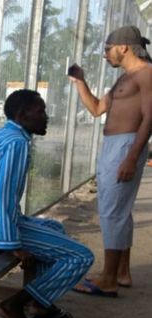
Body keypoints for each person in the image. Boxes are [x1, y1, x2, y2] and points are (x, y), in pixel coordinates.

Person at [0, 89, 94, 318]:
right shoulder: (16, 144)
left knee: (55, 229)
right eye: (41, 111)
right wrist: (11, 244)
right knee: (81, 257)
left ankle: (42, 306)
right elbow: (1, 195)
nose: (46, 117)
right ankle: (13, 306)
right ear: (22, 115)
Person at [69, 26, 152, 295]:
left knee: (111, 212)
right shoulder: (125, 78)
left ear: (124, 47)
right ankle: (121, 273)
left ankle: (107, 280)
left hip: (126, 145)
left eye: (108, 49)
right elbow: (96, 109)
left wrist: (132, 156)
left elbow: (150, 118)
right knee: (119, 211)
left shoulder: (147, 74)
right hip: (115, 146)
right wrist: (81, 81)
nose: (105, 55)